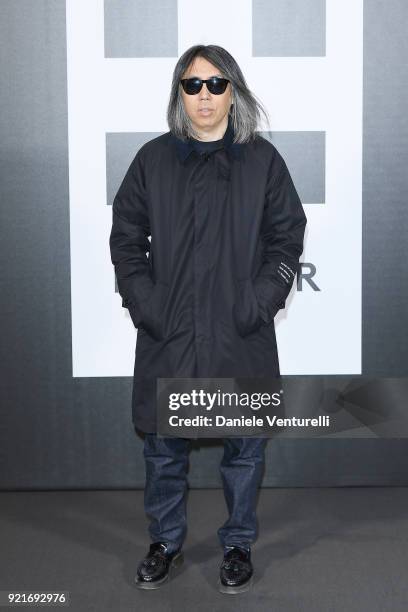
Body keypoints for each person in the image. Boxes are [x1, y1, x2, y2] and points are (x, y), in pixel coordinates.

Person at [109, 44, 307, 594]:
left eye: (216, 84)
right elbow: (126, 240)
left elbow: (287, 239)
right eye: (192, 84)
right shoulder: (152, 160)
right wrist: (146, 305)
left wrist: (259, 300)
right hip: (169, 334)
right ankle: (165, 542)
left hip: (239, 333)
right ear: (179, 92)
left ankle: (238, 543)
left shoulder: (264, 161)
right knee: (163, 451)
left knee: (244, 450)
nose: (204, 95)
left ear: (233, 91)